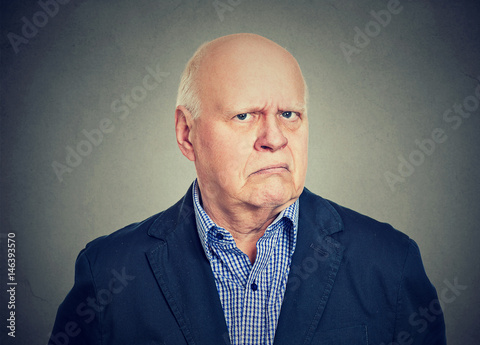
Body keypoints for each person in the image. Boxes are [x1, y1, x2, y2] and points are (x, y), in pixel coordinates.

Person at [49, 33, 446, 345]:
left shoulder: (392, 263)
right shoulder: (107, 274)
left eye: (289, 114)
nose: (274, 138)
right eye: (244, 115)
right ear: (187, 134)